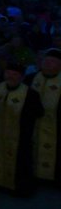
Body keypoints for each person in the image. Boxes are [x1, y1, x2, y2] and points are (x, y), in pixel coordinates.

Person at [0, 61, 43, 194]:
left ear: (22, 77)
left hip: (19, 135)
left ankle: (18, 188)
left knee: (20, 161)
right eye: (8, 73)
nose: (10, 76)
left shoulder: (30, 93)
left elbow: (38, 112)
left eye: (15, 74)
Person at [31, 47, 61, 185]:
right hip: (34, 124)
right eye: (46, 61)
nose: (48, 63)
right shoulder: (32, 78)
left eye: (52, 61)